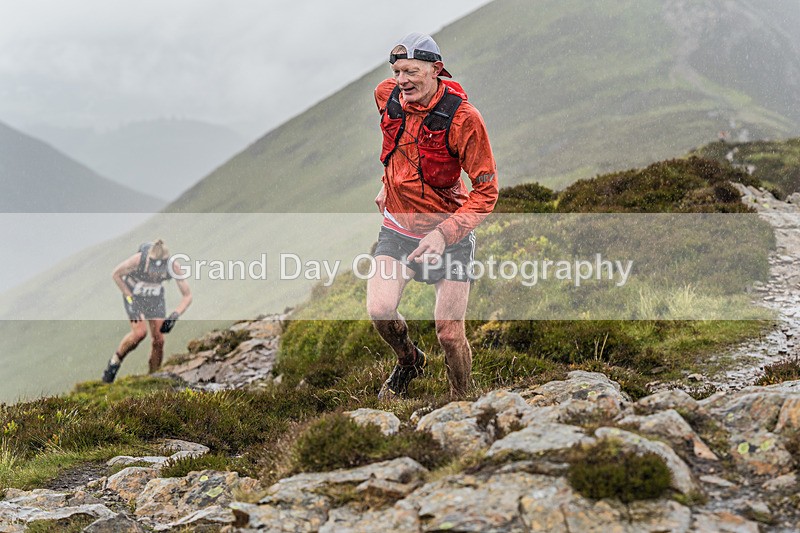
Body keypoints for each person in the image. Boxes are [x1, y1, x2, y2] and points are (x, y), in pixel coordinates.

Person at [368, 32, 498, 400]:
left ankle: (462, 401)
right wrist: (387, 183)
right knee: (380, 310)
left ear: (435, 69)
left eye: (411, 72)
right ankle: (409, 360)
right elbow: (397, 146)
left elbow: (486, 192)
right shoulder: (386, 96)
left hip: (448, 233)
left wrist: (444, 234)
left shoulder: (464, 119)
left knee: (450, 334)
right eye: (397, 72)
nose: (402, 81)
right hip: (398, 227)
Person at [102, 239, 192, 383]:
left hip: (155, 299)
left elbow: (187, 296)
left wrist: (175, 315)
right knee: (139, 333)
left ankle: (154, 377)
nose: (155, 274)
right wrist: (130, 299)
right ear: (149, 259)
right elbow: (116, 275)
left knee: (159, 340)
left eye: (159, 269)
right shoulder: (138, 260)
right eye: (153, 267)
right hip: (134, 297)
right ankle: (114, 364)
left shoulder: (173, 266)